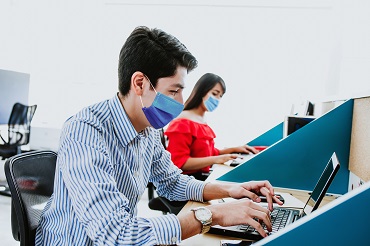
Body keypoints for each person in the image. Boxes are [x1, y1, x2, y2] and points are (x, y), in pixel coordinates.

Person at [35, 26, 282, 246]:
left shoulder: (148, 130)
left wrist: (232, 190)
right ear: (140, 83)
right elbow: (117, 235)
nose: (181, 102)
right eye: (173, 91)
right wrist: (214, 215)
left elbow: (173, 183)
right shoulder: (86, 132)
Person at [165, 73, 258, 181]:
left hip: (200, 179)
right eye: (215, 93)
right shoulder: (182, 122)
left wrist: (233, 149)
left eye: (220, 96)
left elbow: (207, 153)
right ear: (201, 91)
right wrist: (216, 159)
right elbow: (179, 162)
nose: (217, 99)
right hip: (187, 183)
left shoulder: (201, 119)